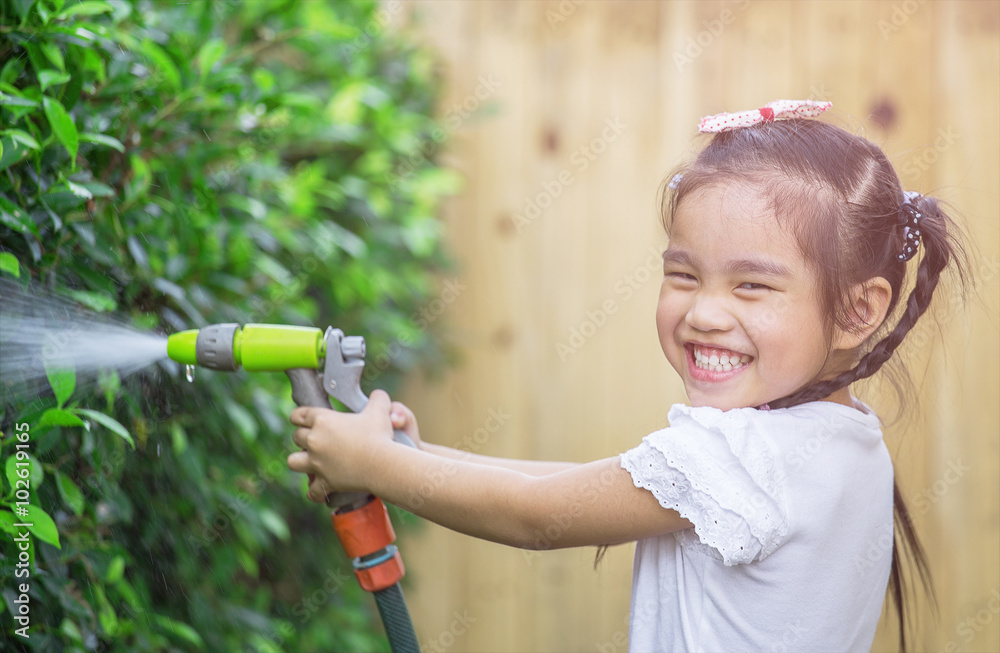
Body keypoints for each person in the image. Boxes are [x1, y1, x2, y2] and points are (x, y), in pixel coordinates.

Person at [287, 100, 967, 652]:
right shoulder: (844, 440)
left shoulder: (745, 455)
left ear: (858, 310)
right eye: (682, 273)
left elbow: (540, 515)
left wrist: (373, 462)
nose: (704, 311)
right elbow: (584, 484)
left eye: (752, 285)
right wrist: (409, 458)